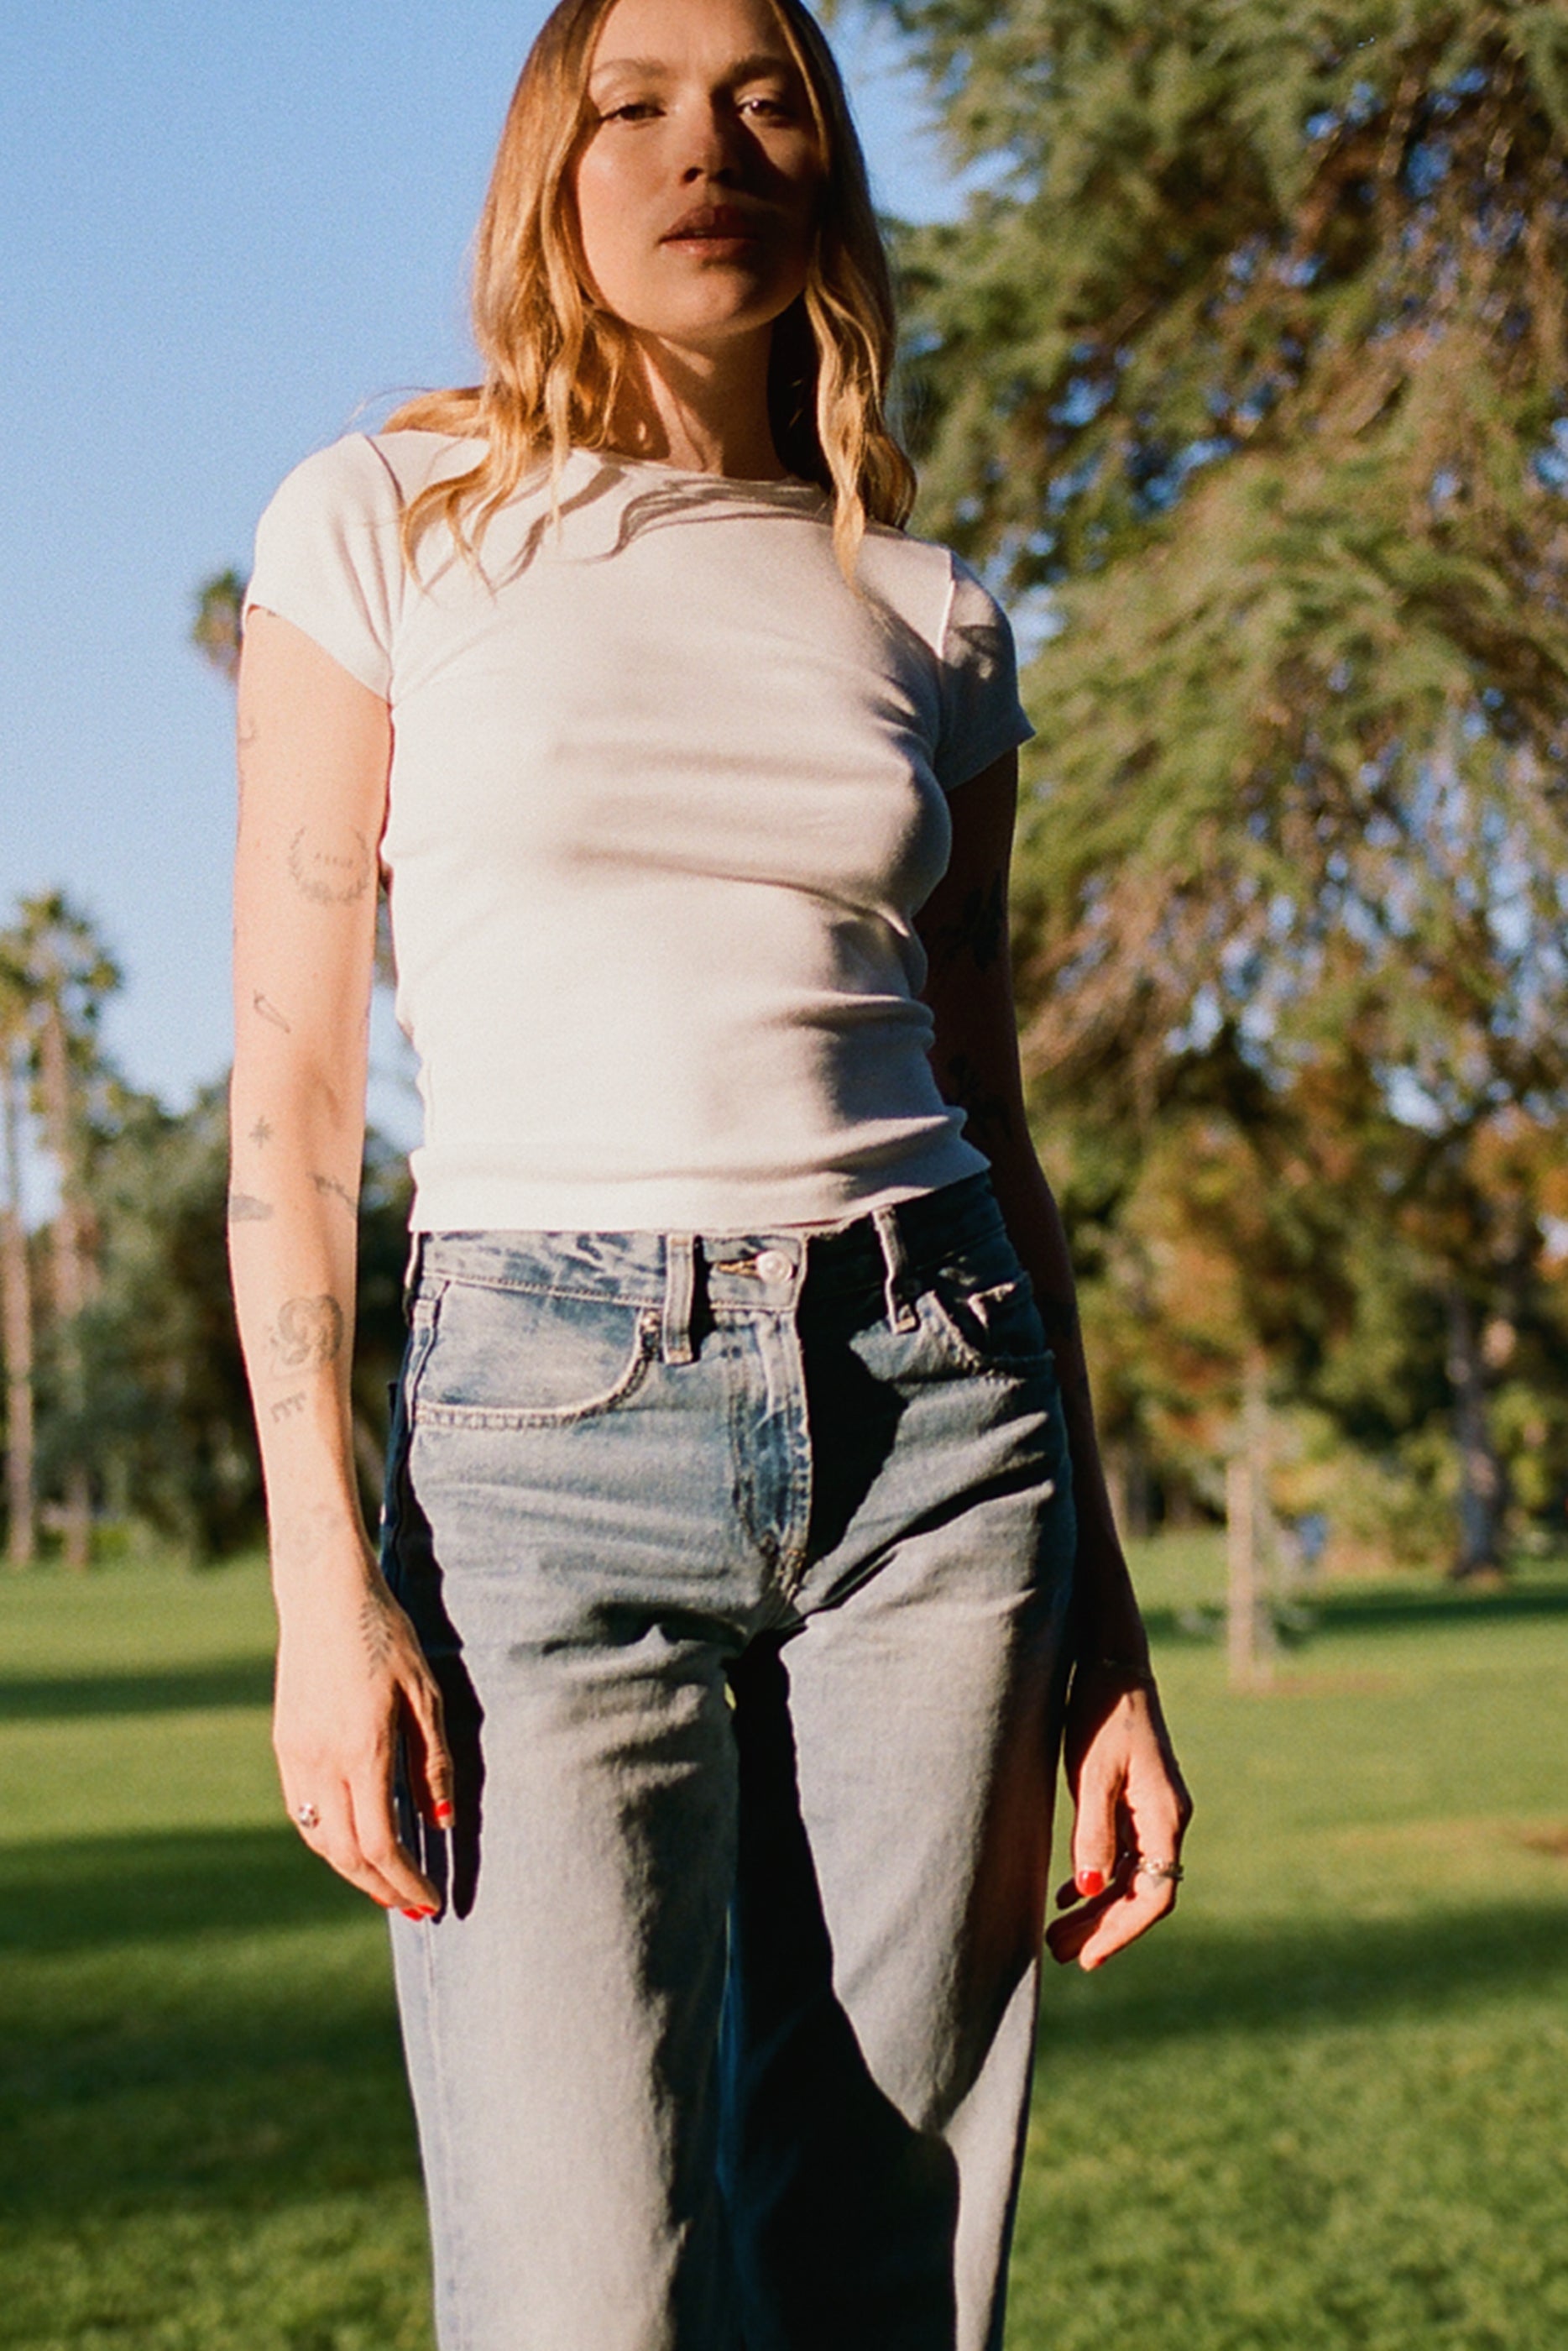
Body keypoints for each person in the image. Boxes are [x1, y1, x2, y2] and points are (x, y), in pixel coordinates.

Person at [227, 0, 1191, 2344]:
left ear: (829, 170)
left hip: (936, 1402)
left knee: (875, 2275)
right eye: (635, 102)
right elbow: (292, 1085)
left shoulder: (929, 606)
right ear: (549, 165)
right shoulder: (383, 518)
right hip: (538, 1431)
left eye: (766, 97)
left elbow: (993, 1104)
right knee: (584, 2294)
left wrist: (1108, 1628)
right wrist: (316, 1588)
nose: (705, 147)